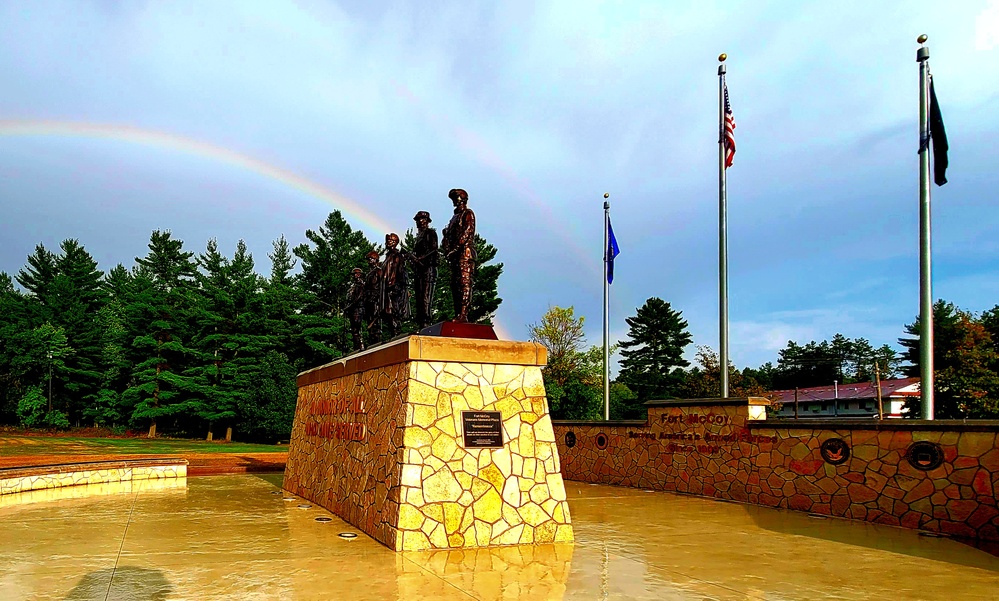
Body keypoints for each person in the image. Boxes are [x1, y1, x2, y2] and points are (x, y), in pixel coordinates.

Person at [441, 188, 476, 323]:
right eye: (454, 199)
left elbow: (467, 232)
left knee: (464, 283)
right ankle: (458, 314)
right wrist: (447, 245)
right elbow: (448, 237)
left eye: (457, 199)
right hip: (454, 256)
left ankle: (463, 314)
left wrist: (455, 248)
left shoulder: (468, 214)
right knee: (455, 285)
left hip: (465, 254)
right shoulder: (453, 218)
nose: (455, 202)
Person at [407, 211, 438, 329]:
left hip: (428, 268)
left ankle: (426, 321)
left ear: (427, 221)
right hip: (419, 270)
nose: (419, 221)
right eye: (418, 220)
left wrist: (421, 258)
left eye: (422, 219)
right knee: (419, 297)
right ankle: (421, 322)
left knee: (426, 297)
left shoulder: (430, 233)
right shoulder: (418, 237)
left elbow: (434, 249)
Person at [381, 233, 410, 336]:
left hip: (394, 287)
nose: (388, 242)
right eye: (388, 240)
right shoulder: (387, 257)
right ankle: (393, 332)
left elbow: (398, 271)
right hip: (387, 288)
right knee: (388, 312)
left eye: (390, 240)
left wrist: (393, 284)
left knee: (394, 310)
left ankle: (397, 331)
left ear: (395, 242)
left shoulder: (397, 256)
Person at [362, 250, 383, 337]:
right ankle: (372, 338)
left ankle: (376, 336)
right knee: (370, 319)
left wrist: (376, 296)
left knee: (375, 319)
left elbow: (382, 285)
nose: (369, 260)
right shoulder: (369, 274)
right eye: (368, 259)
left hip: (376, 299)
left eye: (371, 258)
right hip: (369, 299)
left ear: (375, 259)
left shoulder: (379, 271)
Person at [344, 267, 366, 351]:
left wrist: (349, 306)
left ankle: (361, 344)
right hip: (352, 309)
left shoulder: (361, 285)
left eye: (356, 274)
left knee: (357, 327)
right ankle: (356, 345)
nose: (354, 276)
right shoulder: (352, 287)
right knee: (354, 329)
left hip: (358, 308)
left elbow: (359, 297)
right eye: (353, 274)